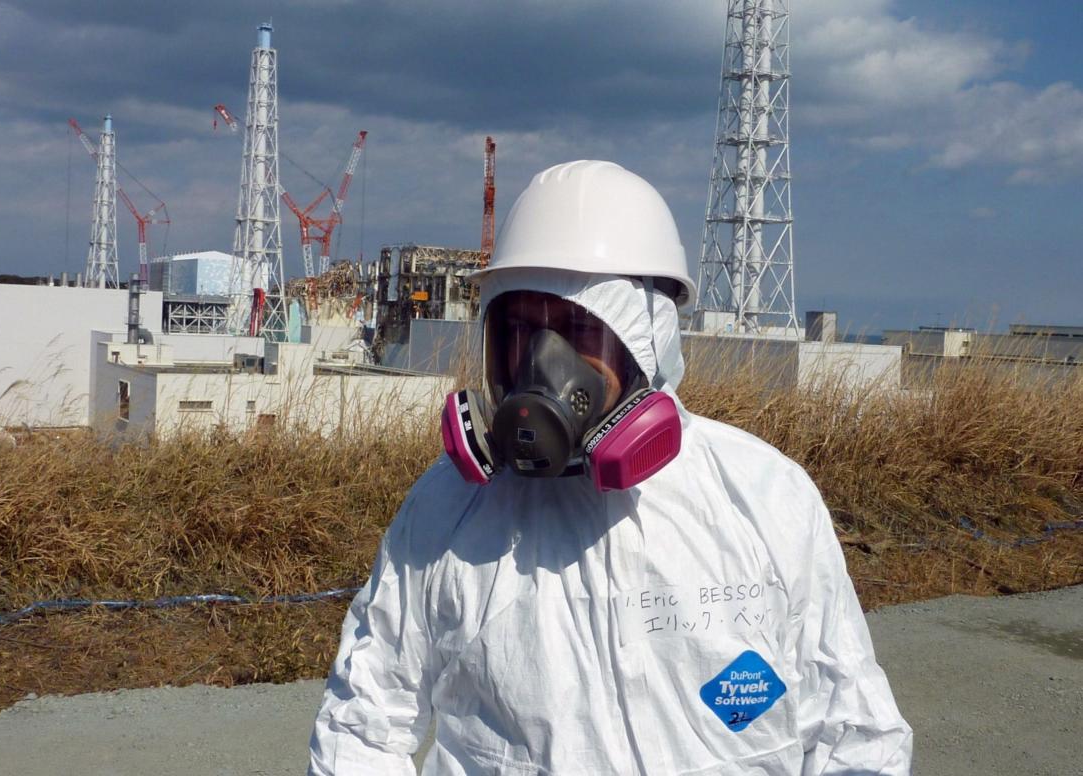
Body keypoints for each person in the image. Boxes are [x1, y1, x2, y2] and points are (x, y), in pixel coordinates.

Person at [309, 161, 912, 775]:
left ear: (651, 341)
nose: (542, 367)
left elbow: (853, 732)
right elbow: (362, 728)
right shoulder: (449, 511)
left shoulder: (761, 496)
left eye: (578, 332)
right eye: (518, 331)